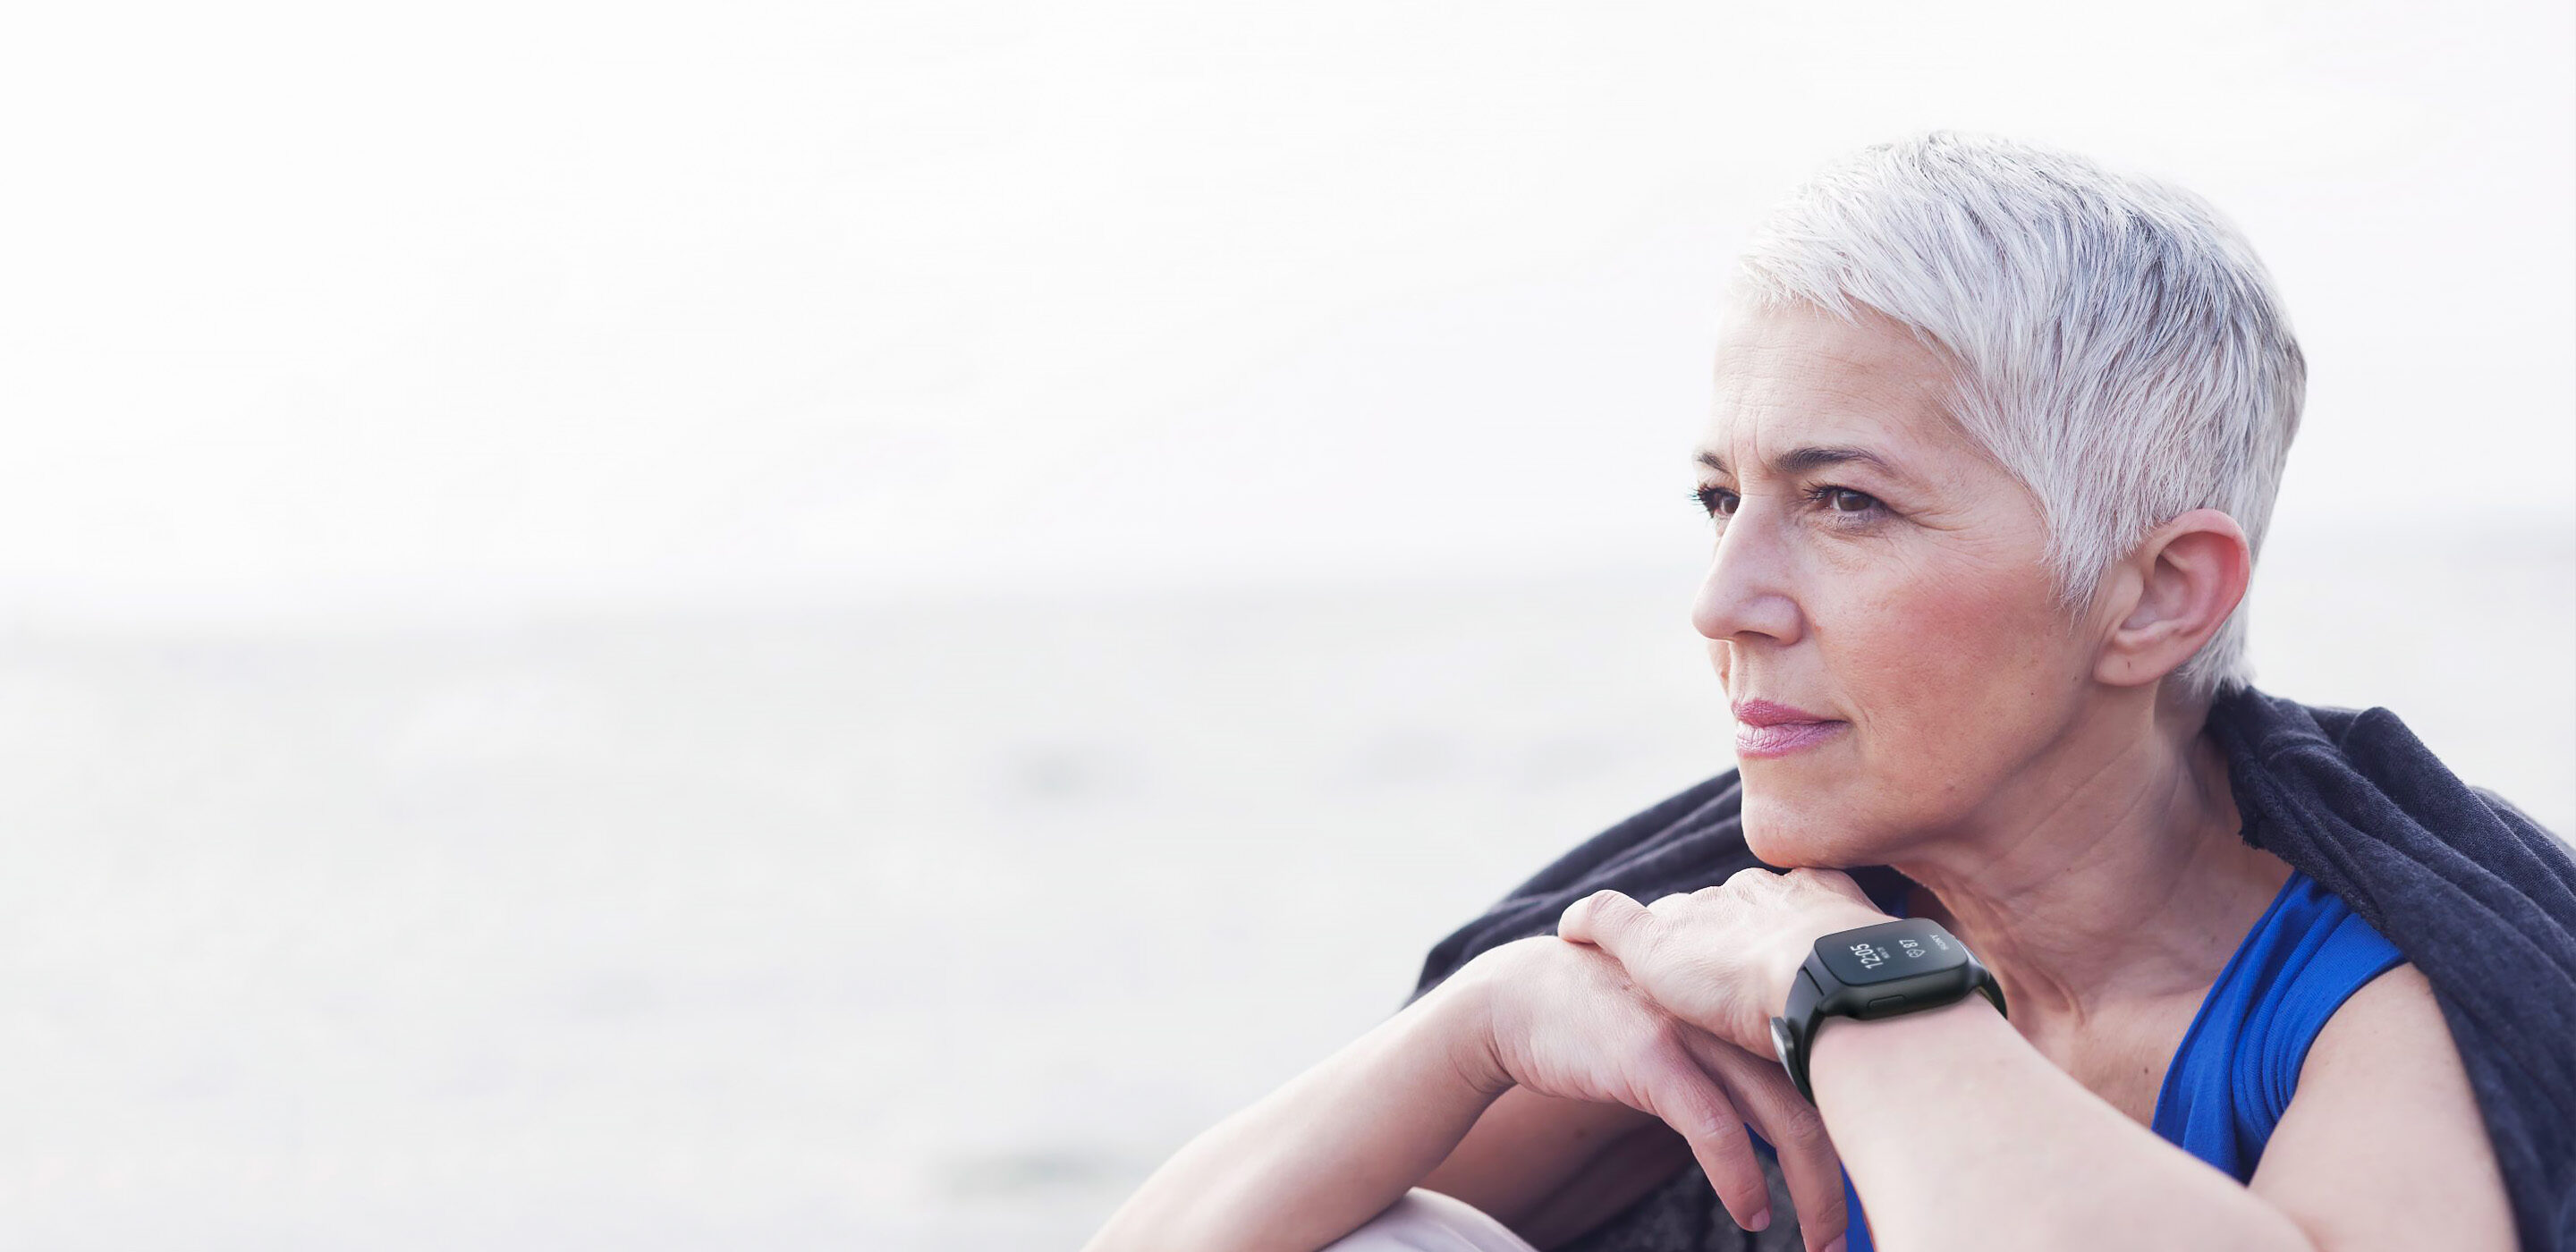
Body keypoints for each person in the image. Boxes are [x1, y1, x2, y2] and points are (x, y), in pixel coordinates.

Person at [1081, 132, 2563, 1252]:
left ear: (2160, 592)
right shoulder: (1740, 954)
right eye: (1721, 498)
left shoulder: (2356, 1015)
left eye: (1846, 504)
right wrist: (1485, 1019)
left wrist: (1858, 1002)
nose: (1724, 602)